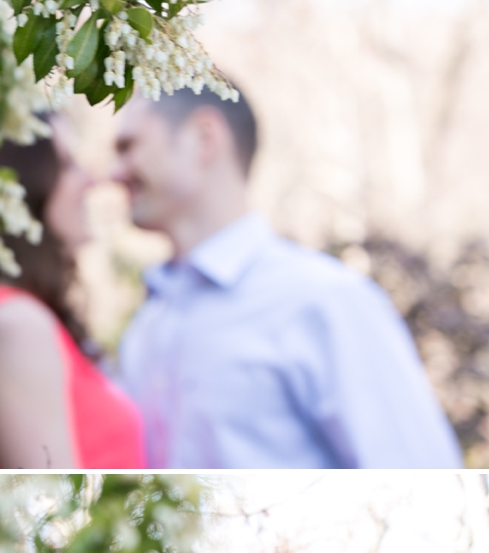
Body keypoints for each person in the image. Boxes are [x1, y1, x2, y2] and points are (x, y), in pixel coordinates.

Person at [110, 85, 464, 469]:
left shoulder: (325, 301)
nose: (113, 173)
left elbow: (420, 475)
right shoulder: (146, 325)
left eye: (128, 146)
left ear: (203, 137)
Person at [0, 119, 145, 468]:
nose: (92, 180)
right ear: (23, 185)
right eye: (68, 165)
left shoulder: (20, 316)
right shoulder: (15, 324)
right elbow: (52, 496)